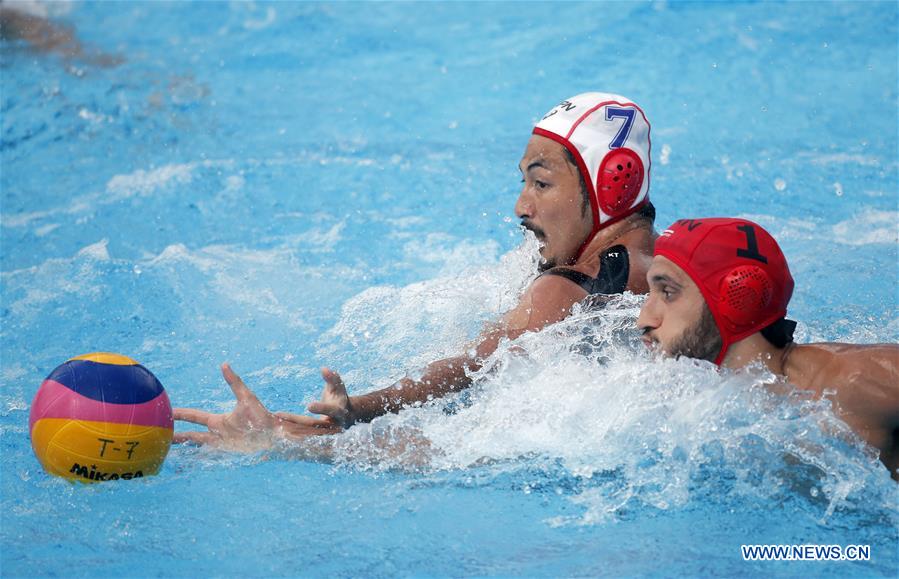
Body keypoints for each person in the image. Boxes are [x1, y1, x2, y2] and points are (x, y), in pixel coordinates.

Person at [174, 92, 659, 450]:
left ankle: (273, 443)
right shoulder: (667, 265)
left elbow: (474, 366)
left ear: (612, 187)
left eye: (541, 183)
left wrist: (354, 411)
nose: (520, 206)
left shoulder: (566, 287)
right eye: (523, 182)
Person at [637, 217, 899, 478]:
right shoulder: (677, 406)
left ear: (739, 298)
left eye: (668, 292)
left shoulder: (849, 384)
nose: (644, 319)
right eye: (651, 293)